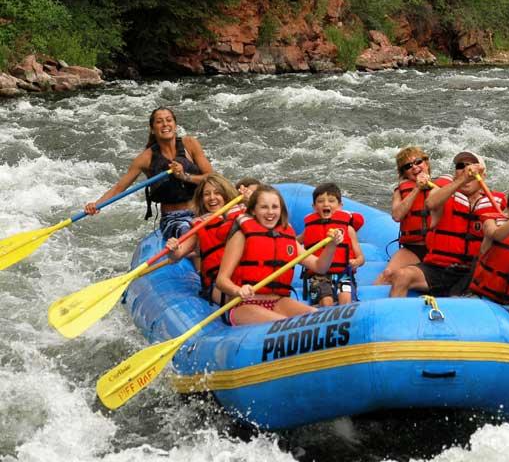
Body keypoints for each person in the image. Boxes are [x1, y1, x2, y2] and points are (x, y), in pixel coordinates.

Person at [216, 185, 345, 325]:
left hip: (278, 301)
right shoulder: (242, 235)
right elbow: (221, 280)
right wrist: (238, 290)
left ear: (281, 210)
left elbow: (319, 267)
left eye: (275, 207)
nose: (270, 212)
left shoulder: (287, 237)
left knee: (316, 318)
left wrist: (332, 245)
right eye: (264, 207)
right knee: (287, 325)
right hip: (244, 304)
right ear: (253, 210)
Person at [388, 151, 506, 297]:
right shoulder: (442, 194)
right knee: (401, 275)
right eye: (460, 166)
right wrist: (462, 180)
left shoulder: (496, 204)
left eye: (471, 166)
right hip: (439, 269)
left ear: (483, 174)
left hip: (473, 272)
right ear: (455, 175)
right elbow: (431, 202)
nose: (466, 170)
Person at [84, 107, 213, 239]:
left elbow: (211, 178)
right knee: (194, 236)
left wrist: (184, 176)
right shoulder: (145, 158)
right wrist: (97, 204)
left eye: (169, 120)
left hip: (201, 210)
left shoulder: (190, 144)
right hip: (174, 218)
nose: (165, 124)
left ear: (175, 125)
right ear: (152, 129)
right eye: (159, 122)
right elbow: (119, 187)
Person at [165, 173, 247, 303]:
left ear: (226, 194)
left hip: (247, 277)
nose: (212, 198)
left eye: (217, 193)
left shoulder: (245, 212)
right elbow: (177, 255)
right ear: (201, 199)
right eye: (207, 194)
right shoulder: (200, 226)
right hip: (218, 284)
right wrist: (172, 249)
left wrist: (251, 200)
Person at [373, 147, 450, 285]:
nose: (414, 167)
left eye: (418, 162)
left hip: (440, 249)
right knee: (388, 274)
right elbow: (397, 216)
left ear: (426, 163)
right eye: (408, 166)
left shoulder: (445, 186)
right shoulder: (400, 191)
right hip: (414, 248)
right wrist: (416, 189)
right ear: (404, 174)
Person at [297, 183, 365, 306]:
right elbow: (293, 242)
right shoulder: (309, 229)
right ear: (314, 206)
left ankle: (344, 322)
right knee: (326, 301)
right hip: (319, 276)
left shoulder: (348, 229)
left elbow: (361, 257)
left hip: (343, 274)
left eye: (331, 201)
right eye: (320, 201)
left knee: (345, 298)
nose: (326, 204)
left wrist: (356, 262)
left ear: (340, 206)